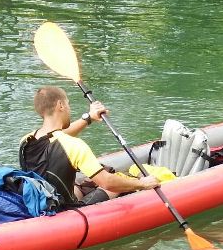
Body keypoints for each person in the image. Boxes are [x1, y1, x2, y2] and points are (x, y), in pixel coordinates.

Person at [19, 86, 160, 208]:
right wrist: (141, 183)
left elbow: (57, 137)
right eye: (68, 104)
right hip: (65, 212)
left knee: (77, 185)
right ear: (60, 105)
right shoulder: (74, 145)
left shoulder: (26, 140)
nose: (69, 108)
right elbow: (107, 183)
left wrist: (89, 117)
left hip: (38, 203)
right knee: (116, 180)